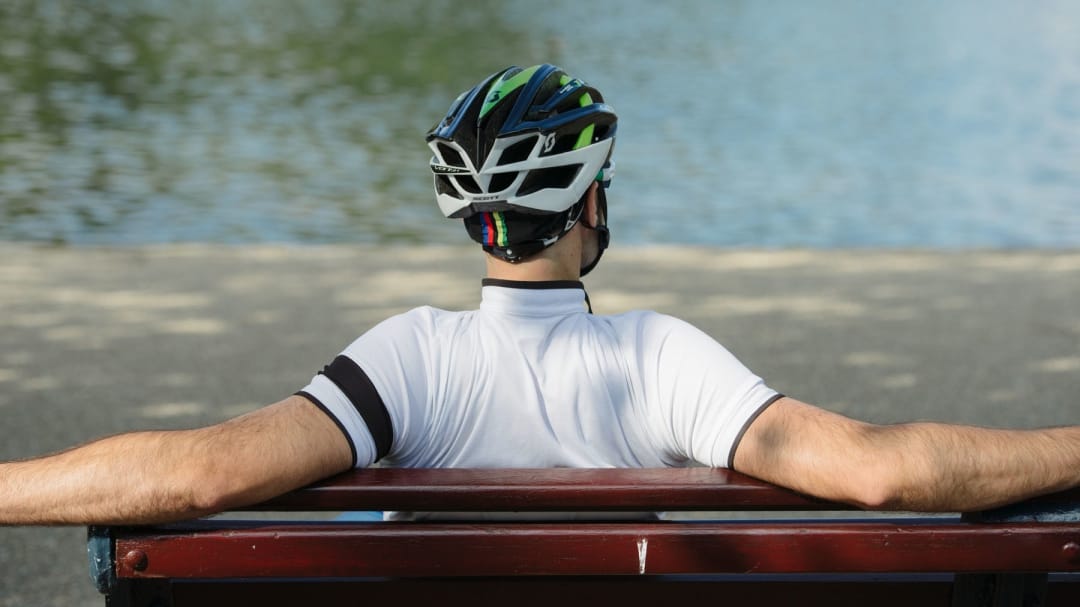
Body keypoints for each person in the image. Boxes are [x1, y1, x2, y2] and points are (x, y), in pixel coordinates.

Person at [1, 64, 1078, 526]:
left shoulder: (409, 359)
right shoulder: (661, 359)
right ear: (587, 209)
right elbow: (885, 475)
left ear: (475, 218)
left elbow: (195, 476)